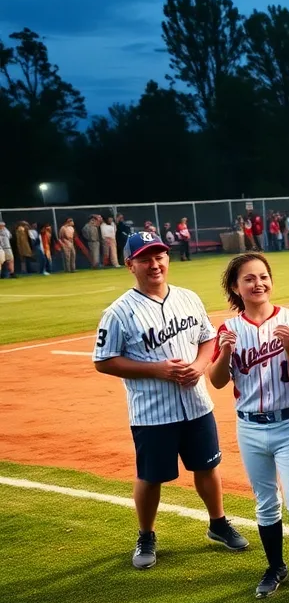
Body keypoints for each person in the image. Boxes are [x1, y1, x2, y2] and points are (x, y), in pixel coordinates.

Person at [93, 230, 249, 569]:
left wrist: (198, 365)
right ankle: (146, 534)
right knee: (151, 476)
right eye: (145, 258)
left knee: (207, 466)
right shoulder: (119, 312)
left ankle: (218, 523)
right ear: (129, 264)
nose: (155, 263)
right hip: (152, 412)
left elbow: (208, 340)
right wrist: (156, 370)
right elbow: (103, 360)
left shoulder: (188, 298)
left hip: (196, 403)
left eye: (159, 255)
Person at [208, 253, 289, 600]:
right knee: (265, 502)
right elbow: (217, 380)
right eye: (249, 279)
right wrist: (224, 354)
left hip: (288, 424)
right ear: (236, 288)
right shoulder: (229, 329)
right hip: (250, 427)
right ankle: (275, 567)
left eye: (262, 276)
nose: (258, 284)